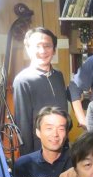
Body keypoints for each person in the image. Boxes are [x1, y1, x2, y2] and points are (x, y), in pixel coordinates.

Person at [13, 27, 69, 156]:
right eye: (37, 46)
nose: (42, 51)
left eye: (47, 46)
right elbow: (23, 125)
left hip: (62, 148)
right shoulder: (23, 80)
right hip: (39, 152)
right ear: (28, 49)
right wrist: (29, 159)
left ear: (54, 50)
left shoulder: (58, 75)